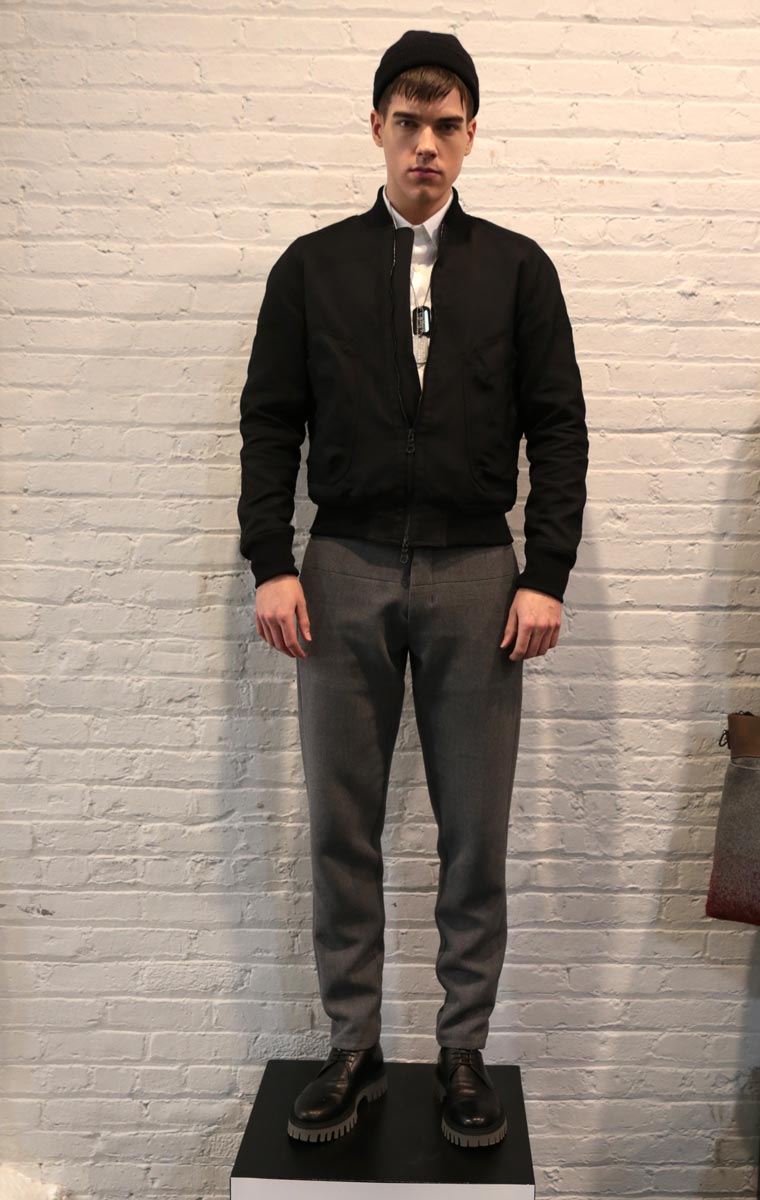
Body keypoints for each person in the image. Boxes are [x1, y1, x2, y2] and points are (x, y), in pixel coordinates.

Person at [237, 30, 589, 1148]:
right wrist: (271, 559)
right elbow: (268, 421)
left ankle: (462, 1050)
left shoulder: (517, 269)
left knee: (472, 831)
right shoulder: (313, 267)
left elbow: (558, 428)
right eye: (407, 122)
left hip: (478, 573)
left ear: (470, 135)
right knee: (340, 825)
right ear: (377, 128)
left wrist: (544, 572)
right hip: (338, 567)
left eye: (445, 125)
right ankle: (353, 1046)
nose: (425, 144)